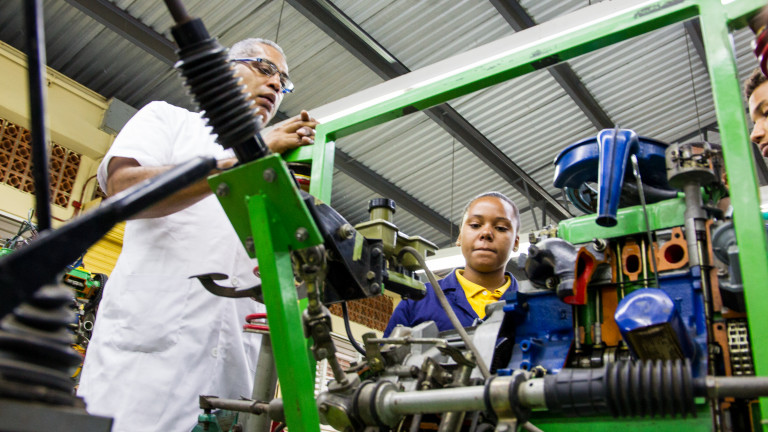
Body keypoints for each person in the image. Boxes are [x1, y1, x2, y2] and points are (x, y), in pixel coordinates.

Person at [77, 38, 318, 432]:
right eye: (264, 68)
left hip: (235, 379)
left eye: (284, 82)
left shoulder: (278, 173)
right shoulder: (169, 120)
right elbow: (124, 190)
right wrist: (246, 155)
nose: (276, 84)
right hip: (141, 367)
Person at [384, 191, 521, 337]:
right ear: (460, 237)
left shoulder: (532, 306)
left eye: (500, 228)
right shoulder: (417, 300)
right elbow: (385, 351)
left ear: (516, 242)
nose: (486, 233)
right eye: (475, 225)